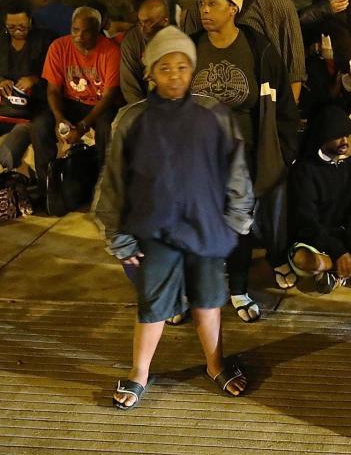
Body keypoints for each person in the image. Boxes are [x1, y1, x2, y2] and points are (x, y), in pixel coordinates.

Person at [92, 26, 255, 408]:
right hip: (156, 231)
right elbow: (114, 181)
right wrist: (118, 236)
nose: (175, 75)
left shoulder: (213, 114)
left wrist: (237, 220)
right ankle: (139, 372)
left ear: (192, 70)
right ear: (150, 73)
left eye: (183, 67)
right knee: (153, 305)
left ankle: (215, 363)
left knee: (208, 301)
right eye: (165, 68)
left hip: (206, 229)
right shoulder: (131, 120)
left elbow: (236, 170)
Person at [187, 0, 299, 322]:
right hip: (197, 153)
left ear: (233, 8)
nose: (205, 10)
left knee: (239, 222)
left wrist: (284, 147)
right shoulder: (189, 46)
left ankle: (238, 288)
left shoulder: (258, 48)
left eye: (213, 3)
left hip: (243, 151)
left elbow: (282, 104)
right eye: (202, 4)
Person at [32, 7, 121, 197]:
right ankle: (47, 186)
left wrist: (82, 126)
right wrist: (59, 118)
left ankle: (103, 188)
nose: (79, 36)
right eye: (75, 30)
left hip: (99, 105)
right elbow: (53, 90)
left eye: (86, 31)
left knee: (107, 127)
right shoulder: (58, 47)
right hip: (70, 102)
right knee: (40, 125)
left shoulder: (110, 51)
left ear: (97, 30)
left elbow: (108, 96)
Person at [287, 105, 351, 293]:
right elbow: (306, 222)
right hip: (317, 240)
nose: (345, 140)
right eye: (338, 136)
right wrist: (338, 251)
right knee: (303, 259)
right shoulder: (305, 170)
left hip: (347, 236)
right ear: (323, 138)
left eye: (347, 135)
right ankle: (339, 267)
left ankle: (341, 267)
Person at [0, 0, 54, 171]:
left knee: (39, 129)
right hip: (6, 106)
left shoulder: (45, 39)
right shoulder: (2, 42)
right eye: (11, 27)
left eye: (22, 26)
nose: (17, 31)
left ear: (30, 20)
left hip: (39, 106)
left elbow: (57, 76)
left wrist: (35, 79)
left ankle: (45, 187)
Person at [119, 0, 169, 104]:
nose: (142, 29)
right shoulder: (132, 41)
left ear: (165, 21)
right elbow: (129, 86)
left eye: (148, 23)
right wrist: (142, 112)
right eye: (140, 22)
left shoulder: (178, 40)